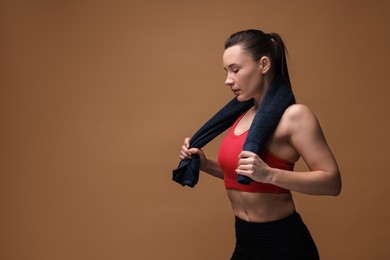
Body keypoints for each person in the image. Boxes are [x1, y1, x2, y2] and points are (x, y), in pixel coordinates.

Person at [179, 29, 341, 260]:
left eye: (236, 69)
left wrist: (270, 174)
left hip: (283, 245)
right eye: (226, 71)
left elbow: (332, 182)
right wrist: (204, 164)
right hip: (245, 242)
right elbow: (243, 177)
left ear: (264, 64)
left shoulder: (295, 116)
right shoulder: (241, 116)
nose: (228, 80)